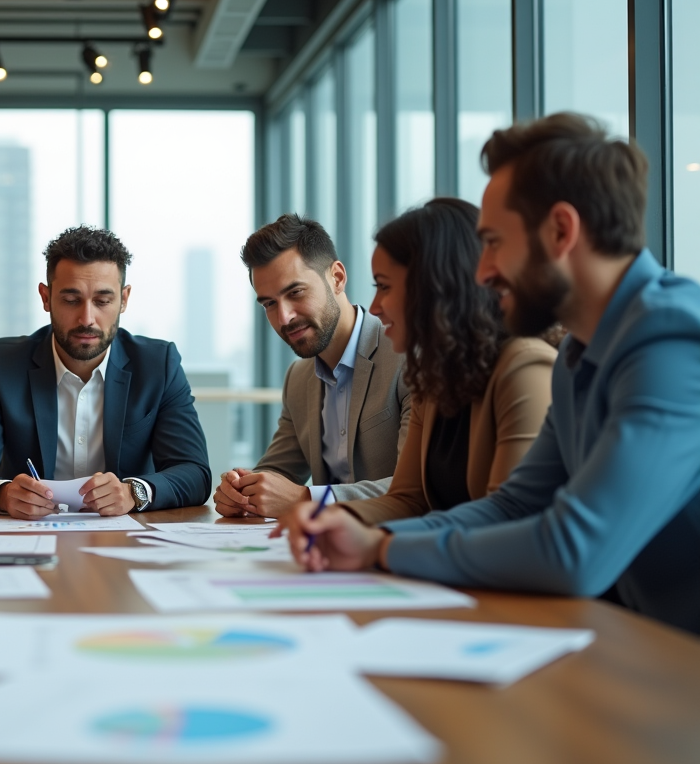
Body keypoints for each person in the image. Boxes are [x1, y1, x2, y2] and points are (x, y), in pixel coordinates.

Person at [276, 113, 700, 635]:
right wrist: (371, 541)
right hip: (645, 647)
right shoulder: (578, 356)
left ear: (561, 231)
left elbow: (575, 549)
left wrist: (383, 548)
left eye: (495, 242)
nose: (481, 272)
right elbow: (515, 504)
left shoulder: (672, 342)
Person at [0, 226, 211, 518]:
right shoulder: (2, 364)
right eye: (71, 300)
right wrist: (4, 494)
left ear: (124, 299)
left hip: (123, 542)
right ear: (46, 297)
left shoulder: (159, 364)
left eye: (103, 301)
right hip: (28, 539)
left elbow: (194, 472)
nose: (87, 319)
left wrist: (134, 492)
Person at [336, 198, 555, 525]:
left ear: (434, 286)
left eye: (384, 286)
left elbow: (508, 519)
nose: (374, 306)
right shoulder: (435, 376)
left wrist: (380, 543)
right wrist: (329, 518)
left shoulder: (525, 368)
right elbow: (407, 500)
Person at [213, 214, 410, 518]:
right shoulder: (299, 377)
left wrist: (308, 499)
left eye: (295, 293)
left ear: (337, 278)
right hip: (321, 553)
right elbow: (277, 472)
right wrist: (242, 491)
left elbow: (416, 487)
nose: (284, 318)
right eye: (269, 304)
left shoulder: (406, 354)